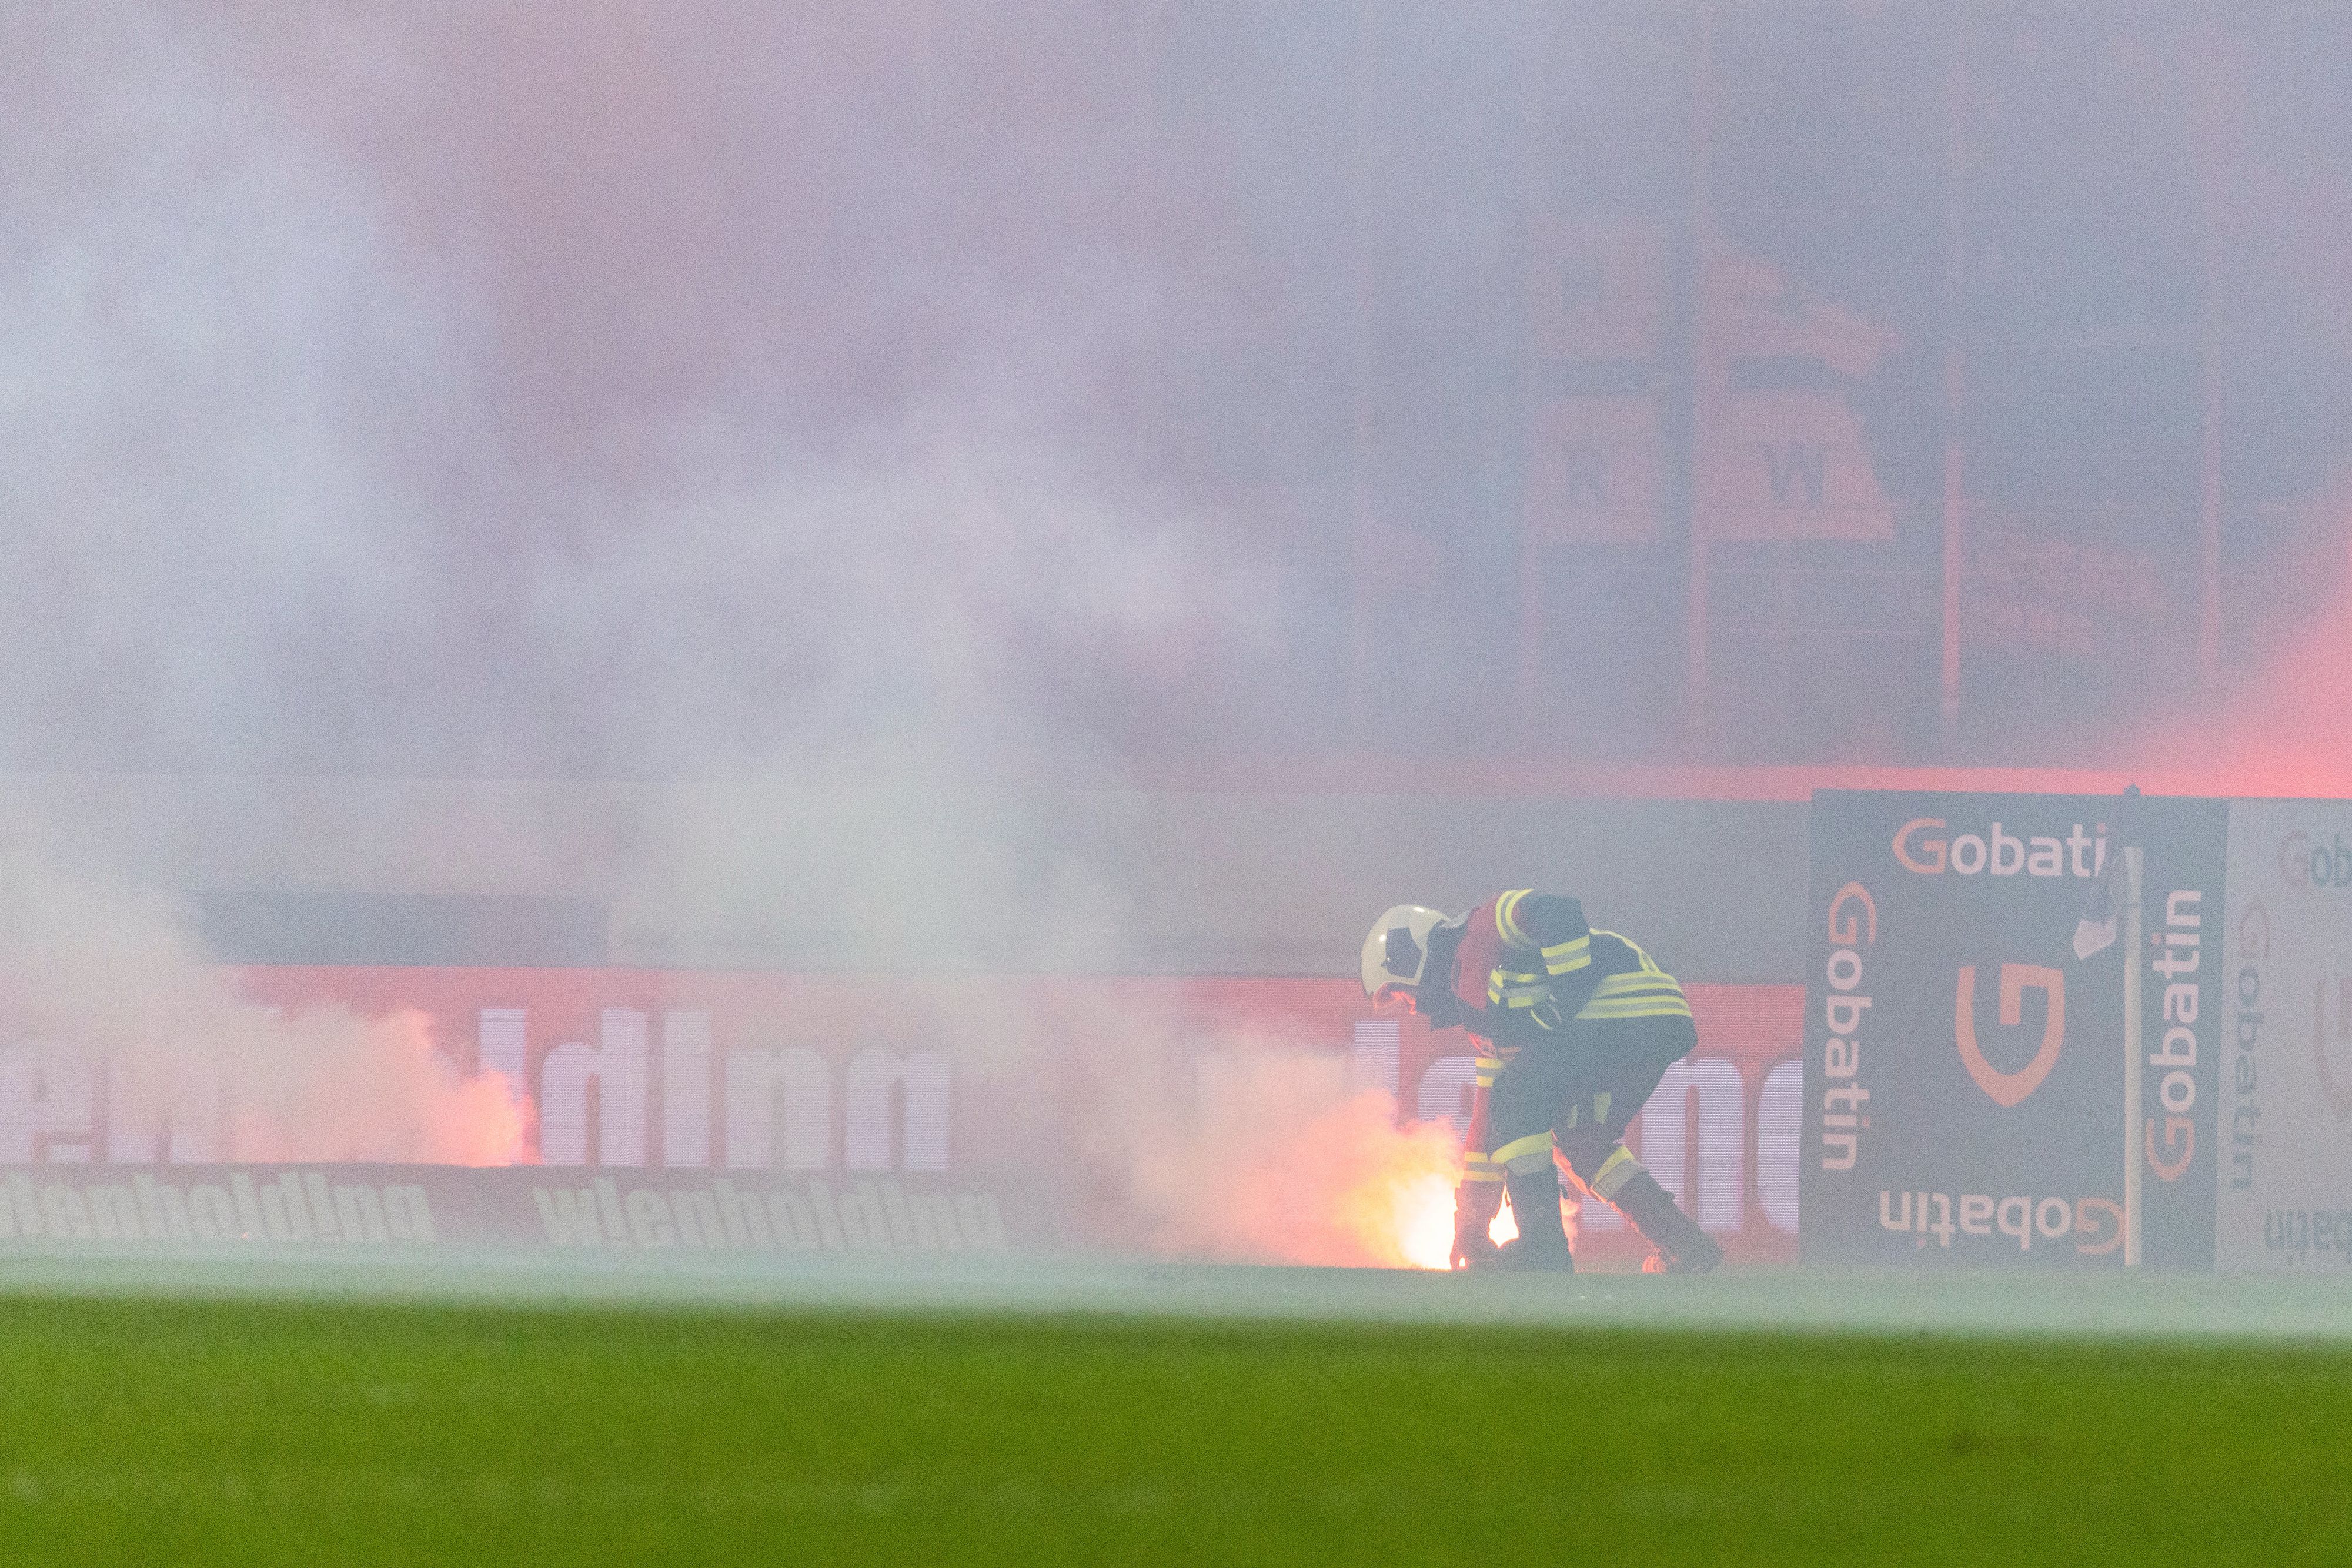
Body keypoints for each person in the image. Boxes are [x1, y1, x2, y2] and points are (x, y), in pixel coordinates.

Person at [1360, 890, 1723, 1273]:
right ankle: (1686, 1246)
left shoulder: (1480, 930)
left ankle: (1543, 1247)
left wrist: (1566, 995)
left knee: (1517, 1101)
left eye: (1399, 991)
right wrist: (1471, 1225)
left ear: (1412, 958)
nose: (1411, 1007)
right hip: (1657, 1021)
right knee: (1580, 1142)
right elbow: (1487, 1124)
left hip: (1619, 1011)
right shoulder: (1478, 1013)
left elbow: (1555, 909)